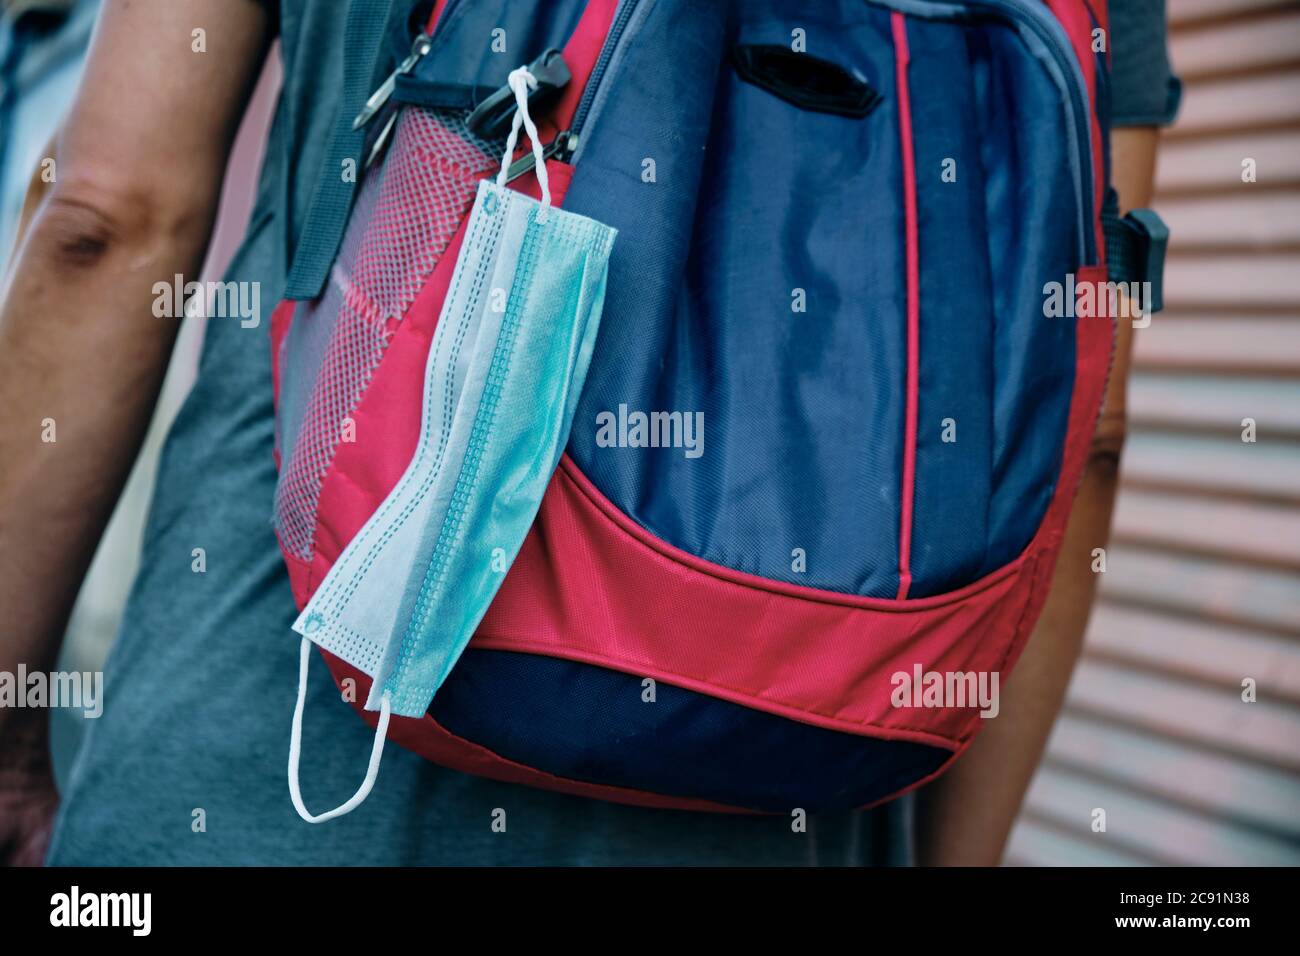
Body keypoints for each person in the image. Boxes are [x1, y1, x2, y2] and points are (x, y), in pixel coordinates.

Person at [0, 0, 1179, 866]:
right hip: (795, 784)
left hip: (267, 762)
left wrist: (9, 727)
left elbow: (112, 217)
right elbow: (1089, 429)